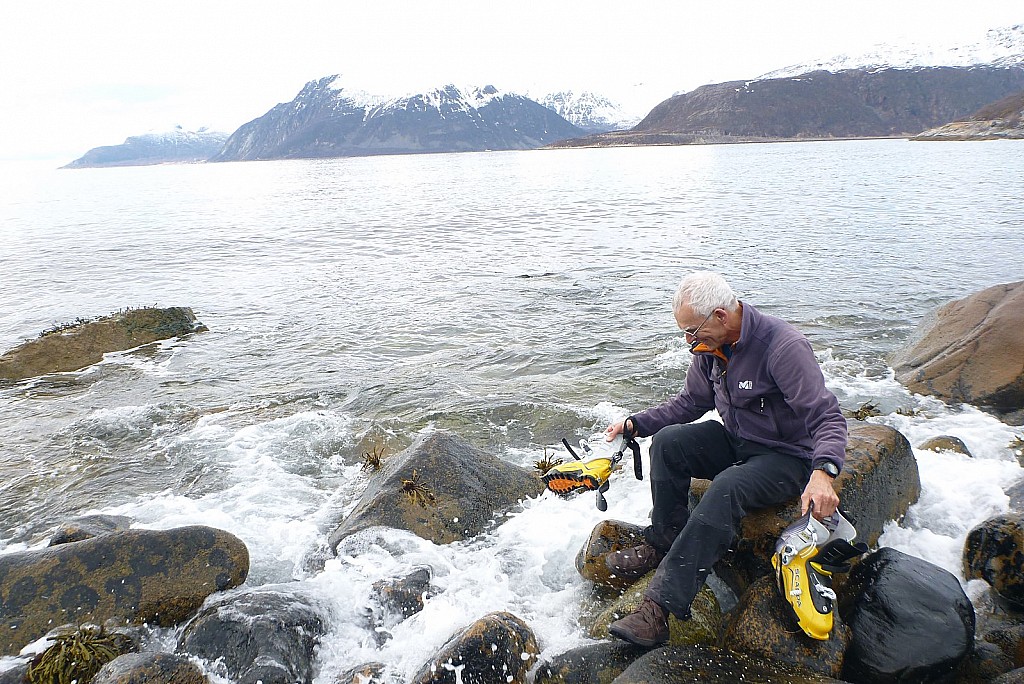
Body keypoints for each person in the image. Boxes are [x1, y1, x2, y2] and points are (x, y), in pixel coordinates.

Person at [603, 271, 846, 648]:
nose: (688, 341)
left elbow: (826, 416)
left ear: (720, 315)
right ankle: (664, 538)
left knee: (727, 486)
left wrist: (824, 472)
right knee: (668, 443)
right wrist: (637, 424)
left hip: (786, 458)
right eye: (683, 332)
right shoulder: (709, 349)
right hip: (737, 441)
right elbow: (689, 403)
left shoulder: (783, 347)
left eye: (692, 331)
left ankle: (658, 610)